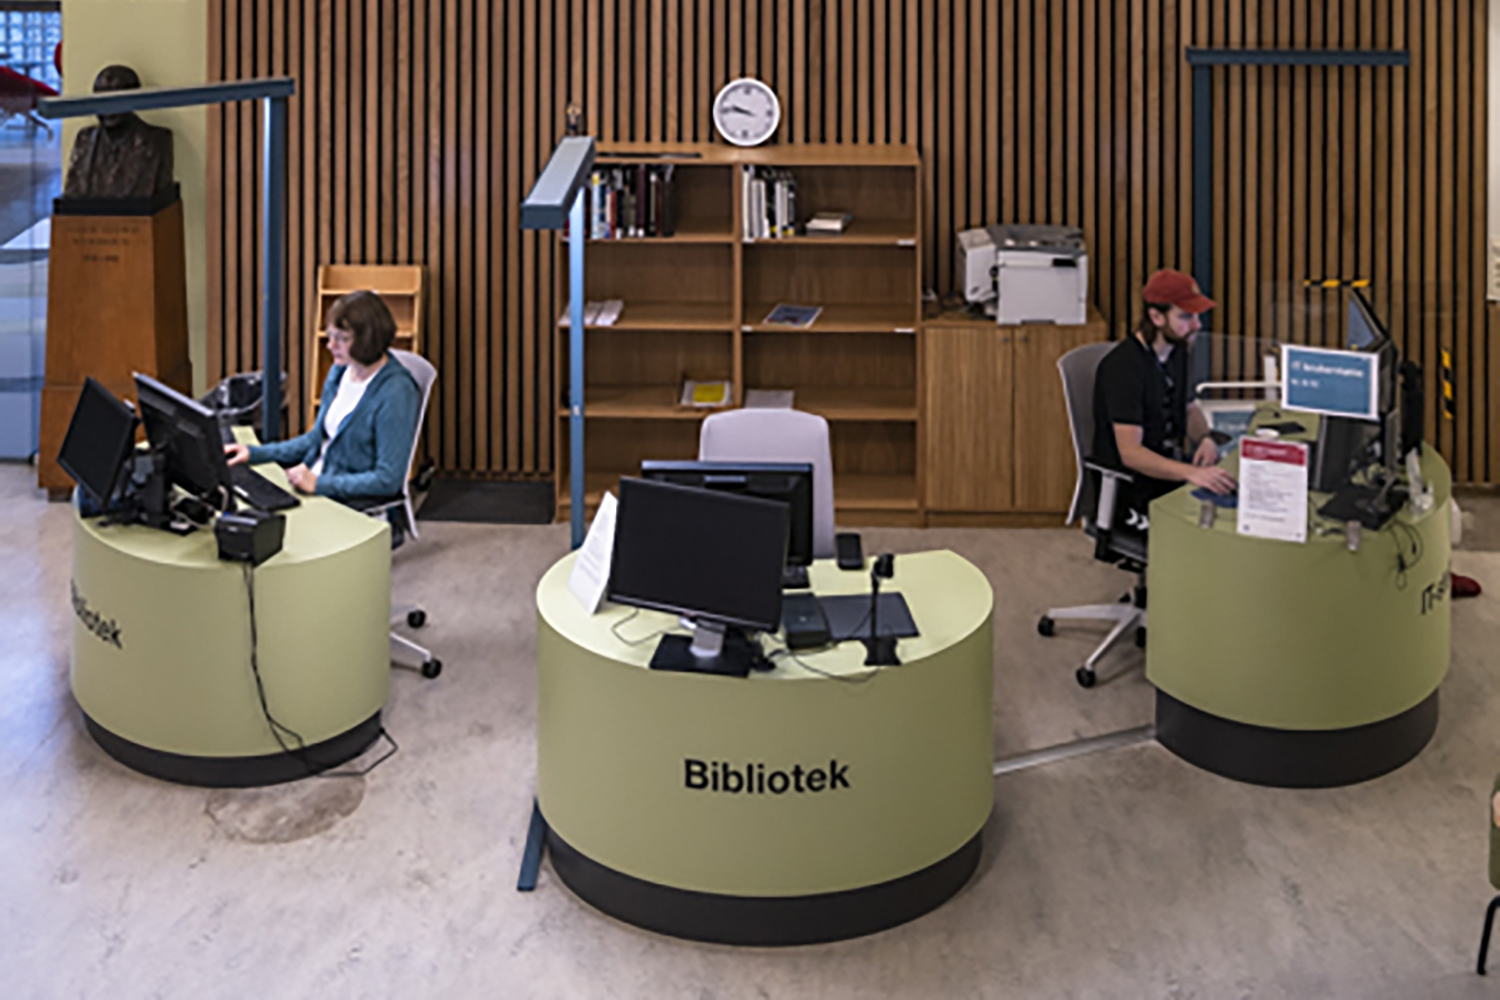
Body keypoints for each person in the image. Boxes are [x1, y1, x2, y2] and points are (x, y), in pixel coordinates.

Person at [225, 290, 420, 502]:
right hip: (315, 481)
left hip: (347, 499)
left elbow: (388, 479)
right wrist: (255, 453)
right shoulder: (341, 370)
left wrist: (319, 484)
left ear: (367, 340)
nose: (330, 345)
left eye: (342, 339)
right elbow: (316, 438)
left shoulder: (397, 392)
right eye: (331, 336)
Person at [1092, 269, 1236, 531]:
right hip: (1132, 489)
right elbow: (1131, 453)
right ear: (1156, 317)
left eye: (1197, 316)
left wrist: (1205, 438)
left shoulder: (1177, 351)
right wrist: (1191, 472)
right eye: (1186, 316)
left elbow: (1189, 408)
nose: (1197, 325)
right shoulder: (1123, 368)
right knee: (1206, 532)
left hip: (1169, 473)